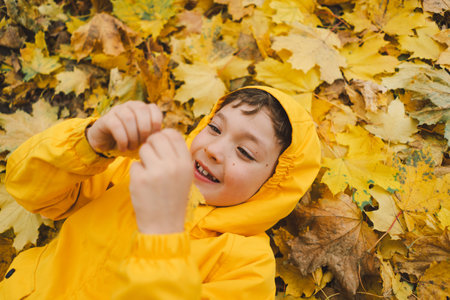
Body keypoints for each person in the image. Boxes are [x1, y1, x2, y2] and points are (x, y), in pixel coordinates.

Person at [0, 86, 321, 299]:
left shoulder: (246, 266)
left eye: (245, 152)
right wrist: (90, 144)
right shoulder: (138, 170)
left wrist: (161, 234)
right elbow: (28, 189)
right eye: (215, 128)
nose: (213, 149)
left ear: (272, 186)